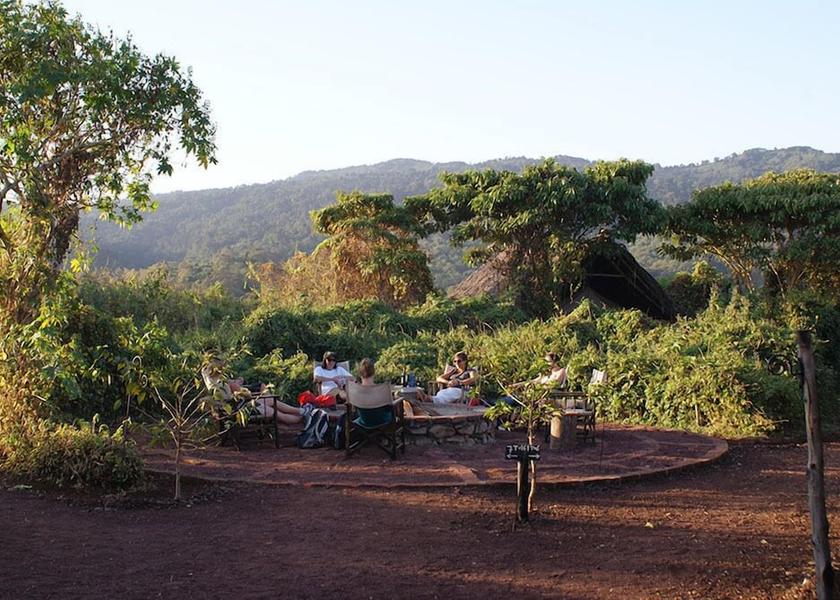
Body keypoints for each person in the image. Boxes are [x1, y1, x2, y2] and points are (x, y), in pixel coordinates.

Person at [200, 361, 304, 426]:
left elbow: (207, 371)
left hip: (240, 405)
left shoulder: (215, 381)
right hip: (240, 407)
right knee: (278, 414)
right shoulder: (219, 383)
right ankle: (303, 416)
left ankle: (302, 411)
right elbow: (234, 391)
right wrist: (240, 389)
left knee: (271, 400)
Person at [352, 357, 393, 427]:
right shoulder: (382, 389)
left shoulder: (355, 390)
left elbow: (354, 409)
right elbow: (389, 406)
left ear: (359, 373)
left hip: (363, 422)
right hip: (382, 421)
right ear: (374, 372)